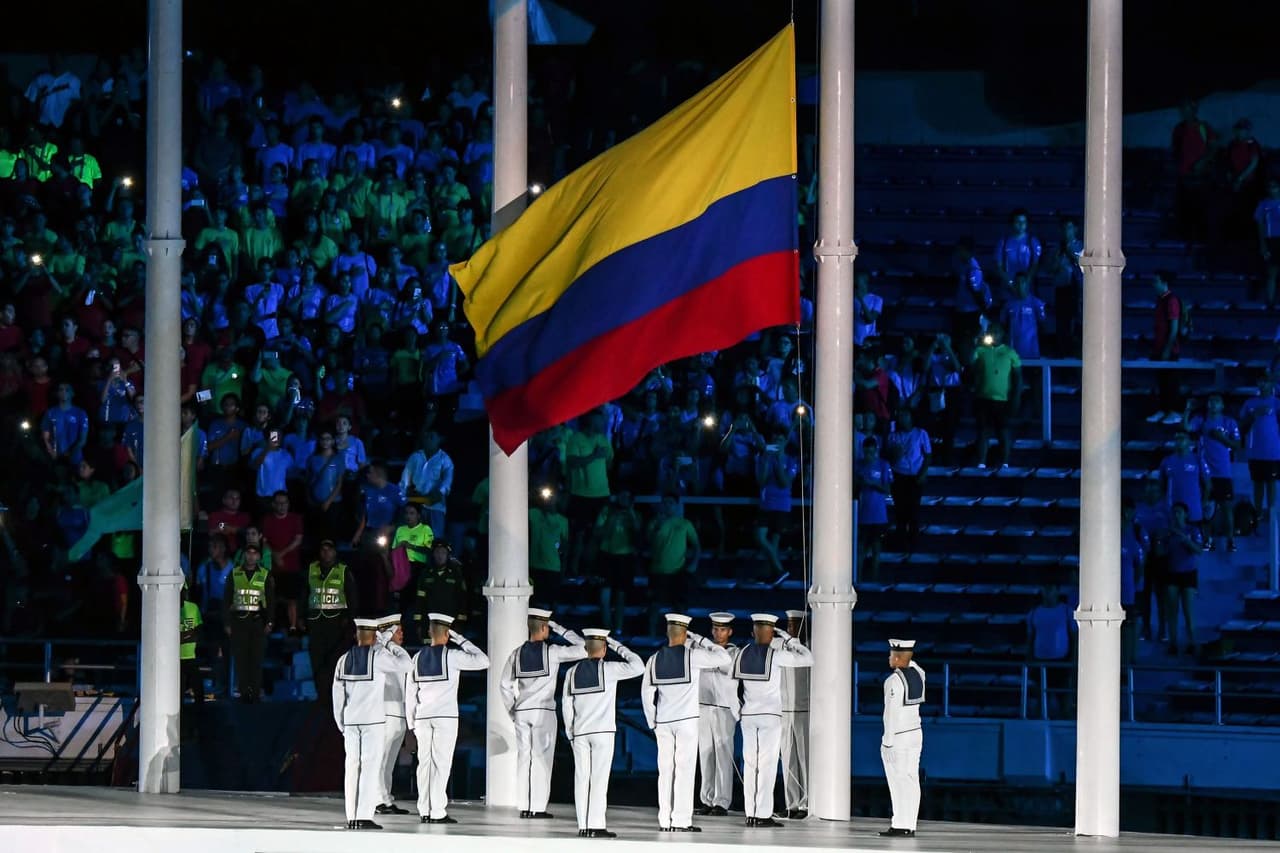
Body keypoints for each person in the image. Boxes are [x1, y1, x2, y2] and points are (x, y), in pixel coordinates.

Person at [640, 613, 730, 832]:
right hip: (687, 721)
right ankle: (681, 820)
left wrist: (652, 721)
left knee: (665, 771)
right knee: (685, 770)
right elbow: (724, 658)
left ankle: (664, 820)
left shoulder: (654, 658)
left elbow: (646, 694)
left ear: (667, 633)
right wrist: (700, 639)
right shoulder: (694, 655)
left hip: (663, 721)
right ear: (685, 634)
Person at [498, 608, 587, 819]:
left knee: (524, 758)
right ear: (545, 627)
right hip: (543, 712)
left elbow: (504, 685)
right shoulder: (552, 652)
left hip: (521, 711)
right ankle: (537, 807)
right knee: (541, 759)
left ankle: (524, 807)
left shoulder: (516, 653)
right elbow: (585, 648)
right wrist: (560, 629)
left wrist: (513, 710)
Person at [732, 612, 813, 828]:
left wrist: (736, 712)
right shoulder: (776, 654)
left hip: (748, 716)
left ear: (753, 632)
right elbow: (808, 658)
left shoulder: (741, 653)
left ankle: (750, 813)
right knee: (766, 766)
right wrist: (789, 639)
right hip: (770, 716)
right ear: (772, 633)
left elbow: (732, 688)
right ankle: (763, 815)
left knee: (750, 766)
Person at [406, 613, 490, 824]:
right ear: (447, 633)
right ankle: (437, 811)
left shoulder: (417, 657)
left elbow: (409, 693)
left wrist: (411, 723)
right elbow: (483, 661)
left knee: (424, 764)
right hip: (445, 717)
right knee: (441, 764)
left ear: (429, 633)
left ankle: (424, 809)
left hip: (422, 717)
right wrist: (461, 639)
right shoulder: (452, 656)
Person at [562, 628, 645, 838]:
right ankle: (596, 825)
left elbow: (566, 704)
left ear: (585, 648)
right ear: (605, 649)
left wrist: (571, 732)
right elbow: (638, 665)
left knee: (581, 779)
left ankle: (583, 825)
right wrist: (617, 645)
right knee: (598, 779)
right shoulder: (610, 668)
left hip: (580, 732)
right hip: (602, 731)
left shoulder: (572, 672)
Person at [333, 618, 410, 831]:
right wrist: (390, 643)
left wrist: (341, 723)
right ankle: (364, 816)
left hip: (350, 721)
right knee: (369, 767)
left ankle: (352, 817)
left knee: (352, 768)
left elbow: (337, 695)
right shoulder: (379, 657)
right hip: (373, 720)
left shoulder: (343, 659)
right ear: (375, 636)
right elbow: (406, 664)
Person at [695, 612, 740, 818]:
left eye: (722, 629)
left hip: (724, 708)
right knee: (705, 754)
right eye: (715, 629)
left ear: (729, 632)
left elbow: (727, 667)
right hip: (703, 705)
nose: (718, 633)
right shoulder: (702, 650)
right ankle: (707, 798)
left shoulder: (735, 652)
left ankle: (722, 801)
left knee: (723, 755)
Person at [880, 638, 926, 838]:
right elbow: (916, 665)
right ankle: (910, 824)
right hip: (916, 733)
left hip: (898, 737)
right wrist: (909, 658)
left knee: (897, 781)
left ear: (898, 658)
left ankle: (899, 824)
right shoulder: (919, 675)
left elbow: (890, 714)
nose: (889, 658)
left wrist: (887, 742)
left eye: (891, 655)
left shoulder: (893, 681)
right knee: (911, 779)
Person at [306, 539, 359, 701]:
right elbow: (304, 594)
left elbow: (352, 597)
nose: (326, 553)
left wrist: (350, 620)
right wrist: (301, 617)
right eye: (323, 549)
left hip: (336, 622)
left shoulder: (343, 570)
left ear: (335, 552)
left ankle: (335, 694)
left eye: (329, 550)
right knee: (316, 659)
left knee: (334, 660)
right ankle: (321, 694)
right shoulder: (311, 569)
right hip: (315, 620)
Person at [1188, 394, 1241, 551]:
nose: (1213, 404)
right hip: (1205, 473)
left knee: (1226, 508)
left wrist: (1222, 438)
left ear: (1222, 405)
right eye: (1210, 401)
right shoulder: (1201, 420)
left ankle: (1231, 540)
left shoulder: (1229, 422)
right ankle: (1207, 540)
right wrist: (1187, 410)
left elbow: (1237, 445)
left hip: (1223, 472)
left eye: (1216, 401)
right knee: (1206, 509)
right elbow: (1186, 428)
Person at [222, 542, 274, 703]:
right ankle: (244, 692)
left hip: (257, 621)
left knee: (256, 658)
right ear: (244, 555)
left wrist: (270, 622)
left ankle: (256, 691)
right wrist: (227, 623)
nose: (251, 556)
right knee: (241, 658)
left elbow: (271, 601)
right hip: (238, 621)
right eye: (248, 553)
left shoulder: (265, 575)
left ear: (259, 556)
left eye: (254, 553)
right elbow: (226, 599)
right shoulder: (235, 573)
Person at [373, 614, 414, 817]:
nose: (402, 634)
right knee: (380, 760)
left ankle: (385, 798)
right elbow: (407, 665)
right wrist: (387, 642)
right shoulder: (380, 653)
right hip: (386, 714)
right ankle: (377, 800)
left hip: (398, 714)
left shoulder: (395, 654)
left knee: (389, 762)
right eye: (398, 631)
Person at [970, 323, 1022, 469]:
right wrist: (976, 343)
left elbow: (1018, 377)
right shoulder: (980, 350)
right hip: (982, 398)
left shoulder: (1010, 352)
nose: (994, 334)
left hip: (1002, 399)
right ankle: (981, 462)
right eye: (991, 332)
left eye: (997, 332)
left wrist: (1016, 397)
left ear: (1002, 334)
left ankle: (1005, 463)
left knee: (1003, 431)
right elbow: (969, 363)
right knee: (982, 431)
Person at [779, 609, 811, 819]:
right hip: (784, 710)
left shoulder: (808, 651)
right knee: (787, 759)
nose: (792, 629)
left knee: (805, 759)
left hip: (804, 710)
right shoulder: (781, 650)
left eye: (796, 624)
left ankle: (806, 803)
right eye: (790, 625)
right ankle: (791, 803)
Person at [1163, 502, 1205, 656]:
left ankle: (1192, 642)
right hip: (1172, 573)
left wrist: (1184, 539)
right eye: (1174, 512)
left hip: (1188, 573)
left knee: (1188, 610)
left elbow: (1199, 550)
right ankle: (1172, 643)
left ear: (1186, 514)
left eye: (1179, 512)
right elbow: (1161, 552)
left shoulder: (1193, 530)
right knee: (1172, 611)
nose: (1176, 515)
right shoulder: (1168, 533)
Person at [1240, 375, 1280, 516]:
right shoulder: (1249, 403)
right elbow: (1241, 425)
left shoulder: (1276, 403)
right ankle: (1257, 513)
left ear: (1271, 384)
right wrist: (1254, 414)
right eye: (1260, 381)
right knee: (1258, 484)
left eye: (1266, 381)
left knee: (1271, 483)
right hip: (1255, 451)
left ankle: (1271, 513)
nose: (1263, 384)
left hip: (1273, 451)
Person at [180, 582, 204, 708]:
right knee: (179, 689)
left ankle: (200, 712)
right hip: (175, 658)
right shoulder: (167, 609)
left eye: (183, 591)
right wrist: (188, 635)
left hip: (191, 655)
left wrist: (184, 636)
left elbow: (199, 630)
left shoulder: (193, 607)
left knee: (198, 686)